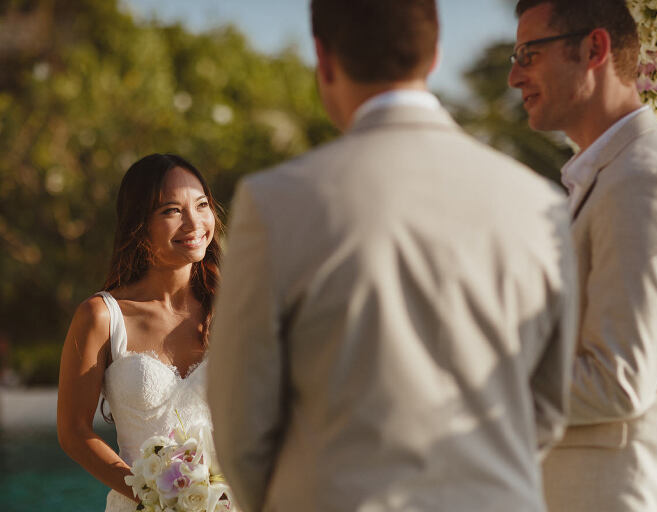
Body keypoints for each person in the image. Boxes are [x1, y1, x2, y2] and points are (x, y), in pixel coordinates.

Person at [207, 1, 578, 511]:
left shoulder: (276, 202)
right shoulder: (541, 205)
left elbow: (238, 421)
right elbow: (548, 406)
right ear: (435, 53)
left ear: (324, 57)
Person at [508, 1, 657, 511]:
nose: (514, 76)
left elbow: (619, 379)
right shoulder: (608, 177)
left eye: (528, 54)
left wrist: (472, 376)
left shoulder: (644, 182)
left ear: (594, 48)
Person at [57, 153, 223, 511]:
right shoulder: (101, 316)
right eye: (171, 211)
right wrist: (158, 497)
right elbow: (73, 431)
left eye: (202, 204)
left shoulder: (236, 307)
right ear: (139, 222)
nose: (194, 222)